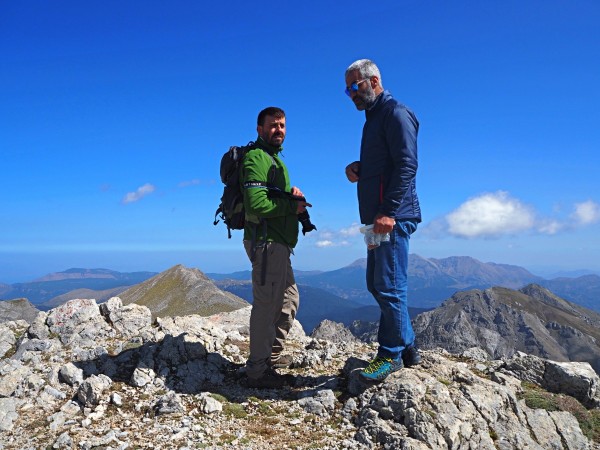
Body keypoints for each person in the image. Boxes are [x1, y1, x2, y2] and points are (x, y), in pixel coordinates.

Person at [344, 59, 422, 382]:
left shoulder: (396, 113)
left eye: (354, 86)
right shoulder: (373, 119)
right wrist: (359, 169)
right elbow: (386, 164)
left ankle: (390, 355)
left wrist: (389, 211)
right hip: (377, 219)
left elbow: (407, 165)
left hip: (392, 217)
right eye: (347, 90)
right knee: (377, 284)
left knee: (388, 286)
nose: (351, 94)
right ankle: (408, 346)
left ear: (373, 81)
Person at [241, 106, 310, 388]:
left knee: (289, 300)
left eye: (282, 125)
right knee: (267, 305)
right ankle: (258, 371)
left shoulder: (274, 159)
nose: (278, 129)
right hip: (266, 242)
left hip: (278, 243)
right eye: (272, 125)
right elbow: (256, 203)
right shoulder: (257, 157)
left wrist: (289, 197)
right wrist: (292, 207)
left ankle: (270, 355)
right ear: (260, 129)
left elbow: (270, 196)